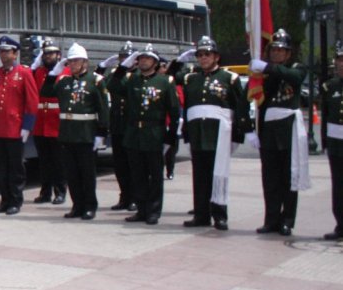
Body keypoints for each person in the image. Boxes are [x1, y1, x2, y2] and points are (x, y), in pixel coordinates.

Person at [178, 37, 251, 231]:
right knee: (199, 177)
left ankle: (220, 215)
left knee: (218, 175)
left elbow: (239, 107)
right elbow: (171, 77)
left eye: (207, 54)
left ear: (216, 57)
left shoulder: (229, 78)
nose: (203, 58)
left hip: (219, 135)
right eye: (200, 55)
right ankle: (201, 215)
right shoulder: (191, 79)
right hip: (198, 134)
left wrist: (238, 135)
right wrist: (179, 60)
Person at [110, 43, 180, 225]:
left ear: (155, 63)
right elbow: (113, 86)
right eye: (141, 58)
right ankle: (141, 210)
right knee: (137, 174)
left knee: (155, 175)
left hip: (154, 133)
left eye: (148, 58)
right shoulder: (131, 80)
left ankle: (154, 211)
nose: (143, 61)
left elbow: (174, 110)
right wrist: (123, 66)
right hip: (134, 133)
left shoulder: (164, 82)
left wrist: (171, 135)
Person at [249, 29, 309, 236]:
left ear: (288, 53)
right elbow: (256, 100)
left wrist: (268, 67)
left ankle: (287, 220)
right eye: (273, 50)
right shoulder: (265, 74)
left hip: (288, 129)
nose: (276, 53)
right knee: (270, 178)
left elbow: (295, 78)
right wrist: (252, 130)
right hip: (269, 130)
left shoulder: (296, 68)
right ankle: (271, 219)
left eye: (280, 50)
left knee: (288, 177)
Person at [0, 36, 39, 215]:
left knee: (15, 167)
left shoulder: (24, 73)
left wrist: (27, 126)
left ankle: (15, 201)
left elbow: (32, 101)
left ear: (15, 54)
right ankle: (4, 200)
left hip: (14, 128)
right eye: (1, 52)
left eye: (7, 52)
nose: (3, 55)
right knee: (1, 167)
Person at [54, 43, 109, 220]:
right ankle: (77, 206)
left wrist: (101, 133)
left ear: (85, 62)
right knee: (72, 174)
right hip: (68, 133)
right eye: (70, 61)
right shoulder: (64, 81)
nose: (73, 64)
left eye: (76, 61)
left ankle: (90, 206)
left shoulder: (95, 81)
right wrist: (54, 72)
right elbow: (46, 91)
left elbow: (103, 108)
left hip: (86, 134)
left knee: (87, 174)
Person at [99, 41, 137, 212]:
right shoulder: (116, 74)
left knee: (133, 164)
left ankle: (135, 197)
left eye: (127, 57)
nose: (124, 60)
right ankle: (124, 196)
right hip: (117, 124)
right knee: (120, 165)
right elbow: (102, 83)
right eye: (122, 57)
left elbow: (123, 88)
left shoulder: (138, 75)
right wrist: (102, 67)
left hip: (131, 125)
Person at [30, 39, 68, 205]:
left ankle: (60, 192)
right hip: (40, 122)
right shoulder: (38, 72)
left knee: (59, 161)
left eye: (51, 53)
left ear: (58, 55)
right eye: (45, 53)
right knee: (44, 161)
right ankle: (45, 192)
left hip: (56, 122)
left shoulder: (65, 71)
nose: (48, 56)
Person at [320, 43, 343, 241]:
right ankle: (341, 225)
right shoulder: (330, 86)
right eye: (339, 59)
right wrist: (325, 142)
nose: (341, 64)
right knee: (338, 185)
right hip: (336, 144)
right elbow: (325, 117)